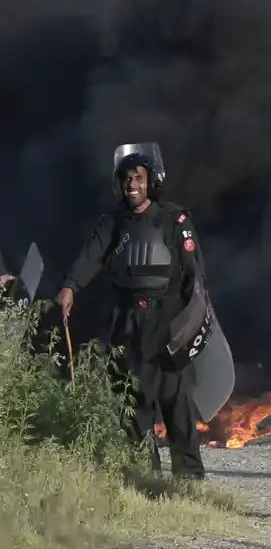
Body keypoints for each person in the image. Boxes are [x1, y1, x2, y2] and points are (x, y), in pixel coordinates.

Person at [55, 142, 207, 479]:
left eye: (137, 177)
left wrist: (192, 320)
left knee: (176, 402)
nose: (131, 184)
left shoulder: (174, 219)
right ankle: (144, 477)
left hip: (168, 319)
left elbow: (194, 272)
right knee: (133, 401)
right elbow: (91, 256)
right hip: (127, 321)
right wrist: (69, 286)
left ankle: (190, 480)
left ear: (151, 181)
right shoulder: (112, 223)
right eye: (125, 179)